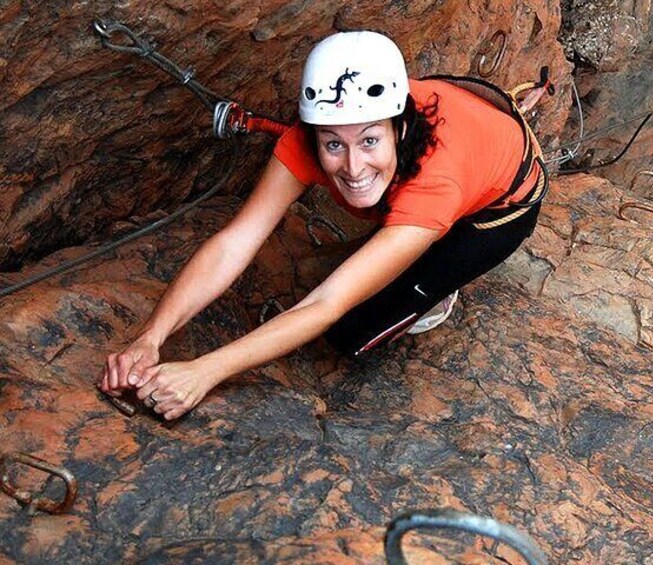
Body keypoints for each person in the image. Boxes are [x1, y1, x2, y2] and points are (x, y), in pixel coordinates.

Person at [100, 31, 548, 420]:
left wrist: (205, 371)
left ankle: (432, 285)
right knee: (378, 215)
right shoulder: (309, 138)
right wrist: (149, 338)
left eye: (369, 140)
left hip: (500, 206)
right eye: (334, 144)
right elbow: (236, 241)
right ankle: (400, 241)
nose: (353, 166)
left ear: (400, 127)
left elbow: (327, 303)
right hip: (459, 155)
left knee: (349, 333)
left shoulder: (435, 184)